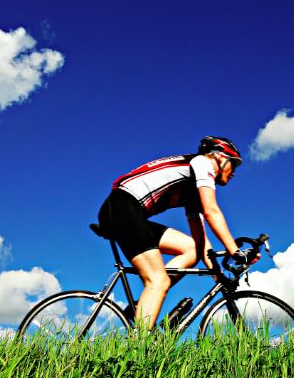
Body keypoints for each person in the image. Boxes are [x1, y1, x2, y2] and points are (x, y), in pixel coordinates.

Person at [97, 136, 252, 330]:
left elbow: (200, 240)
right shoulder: (203, 163)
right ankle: (139, 349)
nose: (234, 173)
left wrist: (216, 273)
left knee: (191, 249)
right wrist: (235, 251)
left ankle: (144, 304)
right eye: (234, 165)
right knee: (157, 280)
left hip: (125, 210)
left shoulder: (193, 188)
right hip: (122, 207)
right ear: (219, 158)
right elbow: (212, 211)